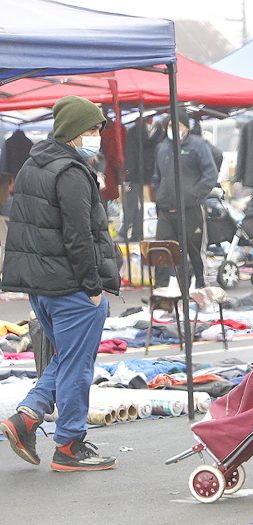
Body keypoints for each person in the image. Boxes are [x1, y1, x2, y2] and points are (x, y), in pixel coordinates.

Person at [0, 95, 121, 471]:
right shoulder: (70, 171)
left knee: (65, 358)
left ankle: (28, 416)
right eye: (91, 130)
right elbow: (78, 236)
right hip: (72, 286)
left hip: (42, 286)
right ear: (72, 132)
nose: (96, 137)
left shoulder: (35, 164)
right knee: (76, 365)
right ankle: (69, 444)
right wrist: (93, 287)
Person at [152, 109, 218, 289]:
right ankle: (161, 289)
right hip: (166, 211)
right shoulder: (162, 147)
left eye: (176, 125)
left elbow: (210, 174)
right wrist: (160, 195)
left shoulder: (198, 146)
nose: (172, 129)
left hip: (190, 209)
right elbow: (157, 177)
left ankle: (200, 287)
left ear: (186, 127)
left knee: (194, 252)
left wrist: (194, 195)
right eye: (169, 126)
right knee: (163, 251)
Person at [120, 115, 163, 242]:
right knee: (142, 205)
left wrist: (128, 174)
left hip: (137, 174)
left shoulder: (134, 131)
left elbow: (130, 153)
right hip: (152, 174)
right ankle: (137, 233)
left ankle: (129, 231)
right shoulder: (160, 132)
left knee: (132, 204)